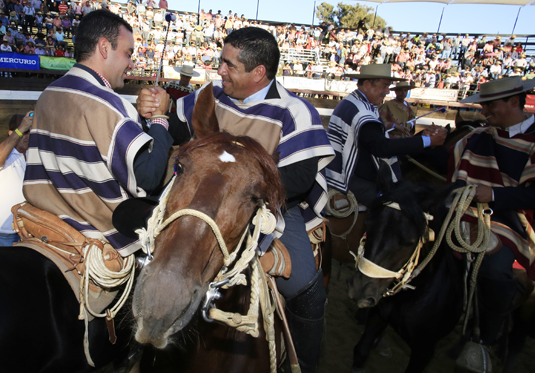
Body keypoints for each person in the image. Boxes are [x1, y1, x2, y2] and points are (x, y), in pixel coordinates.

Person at [136, 27, 335, 372]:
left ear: (259, 72)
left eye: (229, 65)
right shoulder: (211, 95)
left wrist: (241, 190)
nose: (220, 71)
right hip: (205, 202)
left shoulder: (295, 111)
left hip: (274, 207)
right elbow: (179, 128)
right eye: (221, 62)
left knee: (305, 285)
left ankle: (301, 363)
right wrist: (153, 111)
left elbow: (300, 180)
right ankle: (140, 346)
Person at [23, 9, 173, 256]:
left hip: (49, 223)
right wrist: (159, 119)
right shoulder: (111, 104)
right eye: (128, 53)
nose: (131, 64)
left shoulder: (48, 93)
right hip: (98, 237)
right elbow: (147, 178)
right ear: (104, 48)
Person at [450, 77, 535, 368]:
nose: (484, 111)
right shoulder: (478, 136)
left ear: (514, 102)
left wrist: (494, 195)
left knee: (496, 270)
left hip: (514, 220)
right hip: (467, 209)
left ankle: (485, 340)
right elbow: (447, 161)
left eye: (490, 104)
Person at [325, 64, 447, 206]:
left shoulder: (353, 103)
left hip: (346, 173)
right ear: (367, 84)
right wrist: (427, 141)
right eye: (384, 86)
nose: (387, 91)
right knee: (404, 207)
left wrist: (422, 138)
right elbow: (381, 147)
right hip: (350, 180)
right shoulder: (362, 111)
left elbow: (376, 143)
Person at [0, 112, 33, 246]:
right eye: (25, 132)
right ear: (11, 133)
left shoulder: (32, 154)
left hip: (29, 227)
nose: (28, 136)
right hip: (5, 230)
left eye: (30, 132)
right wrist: (21, 128)